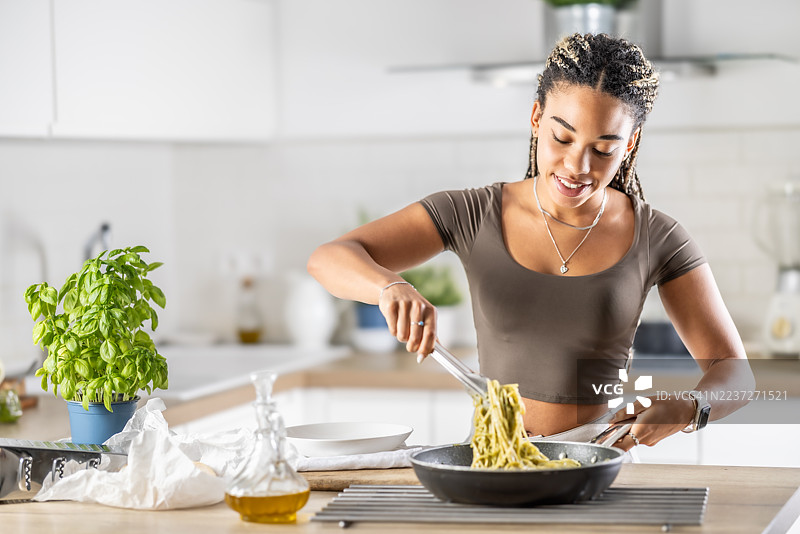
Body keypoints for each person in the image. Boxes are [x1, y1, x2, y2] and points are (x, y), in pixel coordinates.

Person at [307, 33, 755, 452]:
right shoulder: (471, 213)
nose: (577, 165)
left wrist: (691, 408)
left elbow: (735, 370)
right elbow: (329, 259)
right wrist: (390, 287)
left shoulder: (658, 236)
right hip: (491, 458)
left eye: (603, 149)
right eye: (562, 137)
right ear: (537, 118)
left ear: (630, 145)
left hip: (595, 459)